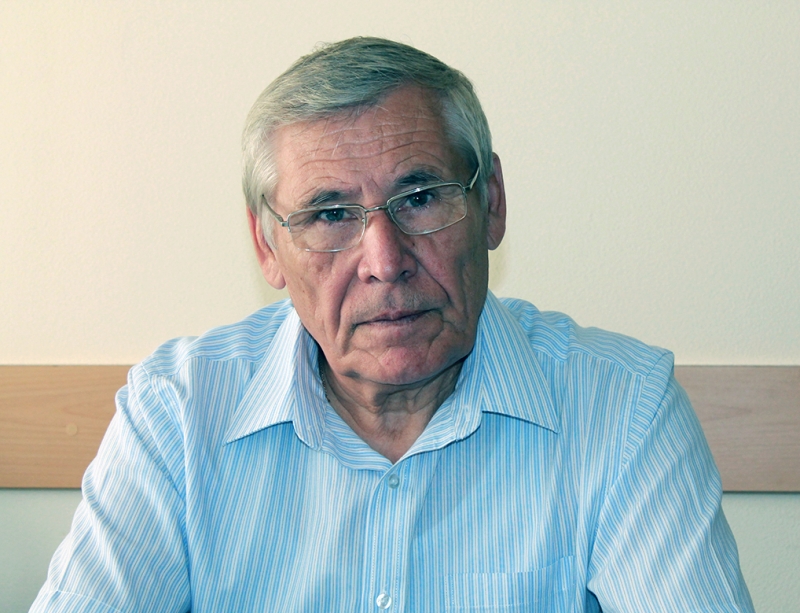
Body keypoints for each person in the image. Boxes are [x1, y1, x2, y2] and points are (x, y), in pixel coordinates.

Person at [32, 37, 754, 612]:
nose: (384, 261)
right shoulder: (178, 414)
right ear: (266, 246)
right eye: (330, 214)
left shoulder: (623, 408)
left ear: (492, 203)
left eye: (421, 197)